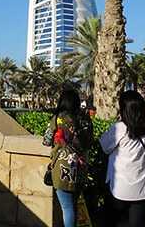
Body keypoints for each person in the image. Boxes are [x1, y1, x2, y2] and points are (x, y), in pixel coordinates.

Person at [100, 90, 145, 227]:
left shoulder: (119, 128)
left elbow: (105, 147)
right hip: (143, 185)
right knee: (137, 224)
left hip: (119, 185)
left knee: (109, 221)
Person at [42, 88, 93, 227]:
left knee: (67, 207)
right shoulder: (85, 119)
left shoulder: (58, 118)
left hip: (63, 167)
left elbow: (46, 140)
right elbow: (90, 141)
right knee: (73, 205)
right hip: (81, 166)